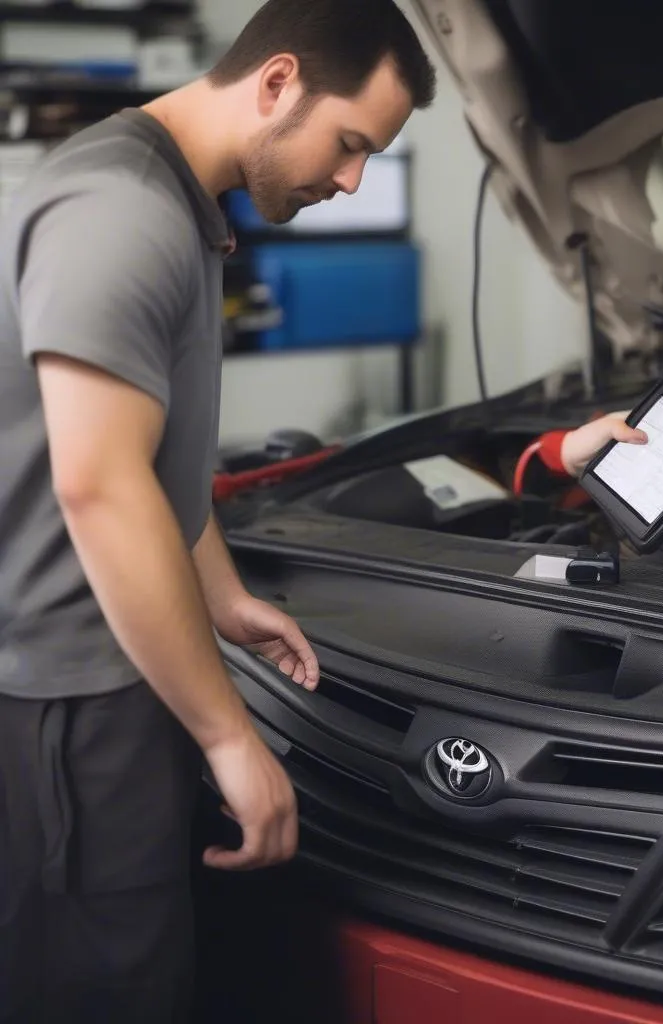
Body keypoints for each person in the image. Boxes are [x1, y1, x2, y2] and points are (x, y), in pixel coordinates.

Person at [0, 1, 436, 1021]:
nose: (350, 179)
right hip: (70, 704)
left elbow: (154, 462)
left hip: (104, 678)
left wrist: (224, 596)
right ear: (277, 81)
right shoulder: (123, 213)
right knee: (106, 989)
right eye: (351, 143)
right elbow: (99, 486)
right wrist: (230, 737)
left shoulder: (172, 198)